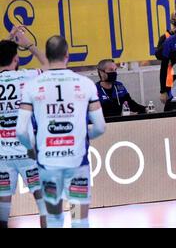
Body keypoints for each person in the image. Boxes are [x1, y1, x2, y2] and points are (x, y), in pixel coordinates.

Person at [16, 35, 106, 228]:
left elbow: (21, 131)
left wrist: (31, 147)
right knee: (79, 219)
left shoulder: (32, 86)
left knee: (54, 219)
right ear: (67, 55)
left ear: (47, 56)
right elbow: (100, 127)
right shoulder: (85, 84)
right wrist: (80, 136)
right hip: (77, 164)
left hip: (48, 165)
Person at [0, 26, 48, 228]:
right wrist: (28, 45)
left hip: (2, 157)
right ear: (17, 59)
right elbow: (49, 65)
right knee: (43, 202)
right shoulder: (26, 78)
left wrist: (6, 41)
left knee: (3, 205)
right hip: (28, 155)